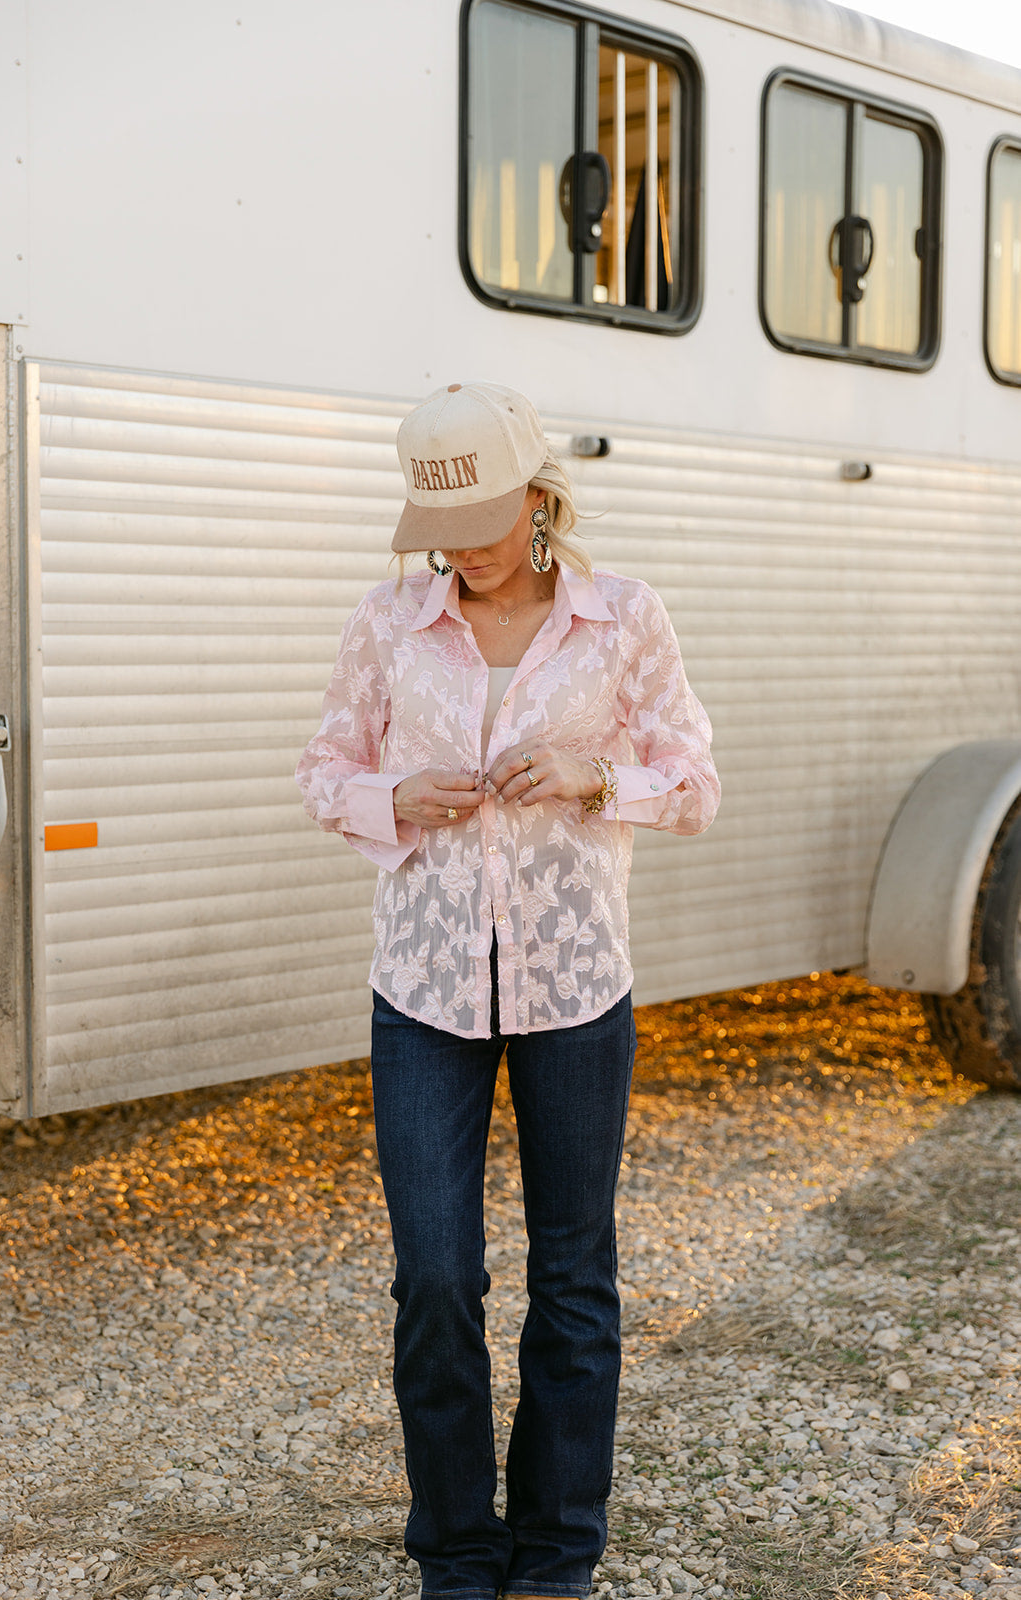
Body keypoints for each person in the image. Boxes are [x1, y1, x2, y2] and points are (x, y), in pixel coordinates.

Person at [295, 381, 719, 1600]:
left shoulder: (622, 616)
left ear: (539, 500)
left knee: (572, 1275)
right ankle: (456, 1552)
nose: (462, 553)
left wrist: (597, 774)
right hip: (422, 986)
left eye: (483, 523)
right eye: (442, 530)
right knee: (434, 1276)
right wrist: (390, 799)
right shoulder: (386, 621)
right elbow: (322, 765)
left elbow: (692, 778)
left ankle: (555, 1551)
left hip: (575, 985)